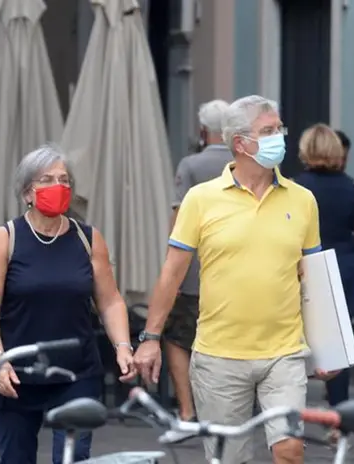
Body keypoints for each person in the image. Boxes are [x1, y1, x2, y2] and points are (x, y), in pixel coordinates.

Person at [133, 95, 334, 464]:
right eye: (269, 131)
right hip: (219, 357)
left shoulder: (303, 200)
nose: (280, 138)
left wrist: (330, 346)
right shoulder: (201, 199)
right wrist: (150, 339)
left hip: (284, 355)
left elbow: (313, 275)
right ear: (240, 143)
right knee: (230, 460)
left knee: (290, 450)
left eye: (280, 129)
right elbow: (172, 272)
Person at [0, 144, 137, 464]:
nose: (57, 187)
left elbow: (110, 301)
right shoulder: (6, 238)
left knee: (73, 456)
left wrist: (122, 345)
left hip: (76, 372)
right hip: (18, 372)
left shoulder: (88, 238)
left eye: (63, 180)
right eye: (47, 179)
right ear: (27, 193)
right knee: (16, 458)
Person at [293, 124, 354, 444]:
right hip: (342, 269)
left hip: (303, 268)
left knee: (294, 342)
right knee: (337, 348)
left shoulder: (293, 188)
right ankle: (339, 421)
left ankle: (292, 417)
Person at [164, 99, 233, 424]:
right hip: (233, 270)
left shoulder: (190, 165)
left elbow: (178, 224)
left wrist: (170, 273)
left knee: (178, 338)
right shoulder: (242, 161)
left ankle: (187, 410)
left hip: (193, 272)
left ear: (203, 130)